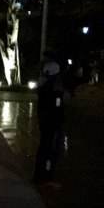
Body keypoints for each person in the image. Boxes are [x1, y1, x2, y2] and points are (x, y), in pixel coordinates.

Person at [33, 58, 66, 186]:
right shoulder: (55, 87)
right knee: (51, 150)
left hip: (45, 121)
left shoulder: (43, 85)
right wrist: (60, 119)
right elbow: (57, 107)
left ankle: (39, 175)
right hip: (53, 122)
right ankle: (46, 178)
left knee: (44, 147)